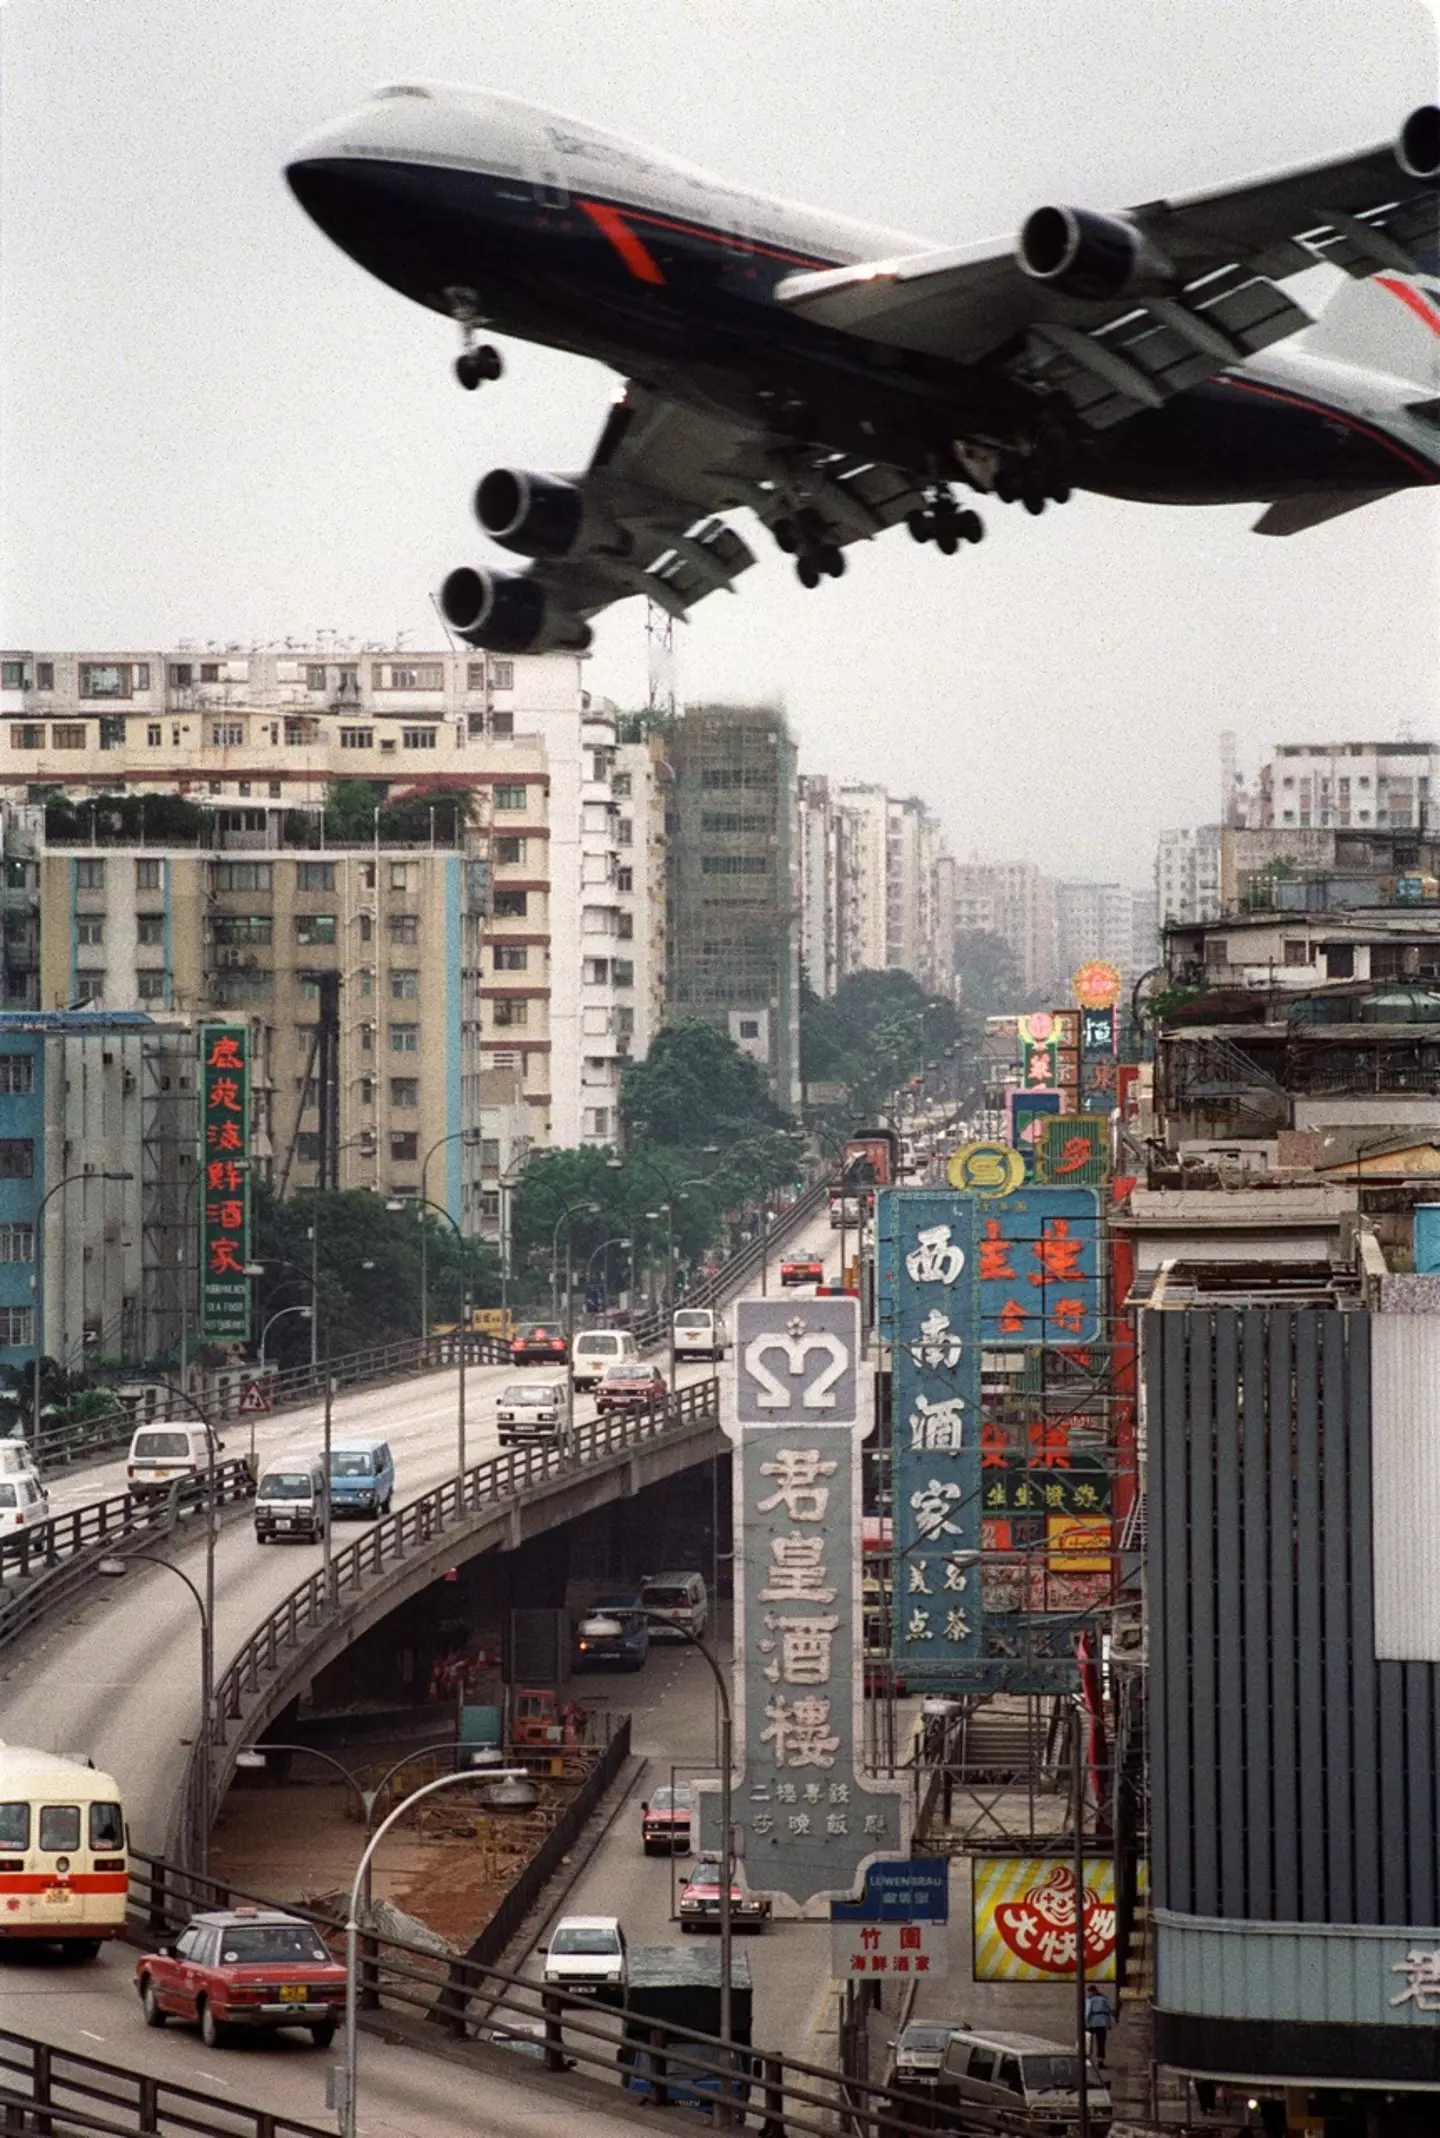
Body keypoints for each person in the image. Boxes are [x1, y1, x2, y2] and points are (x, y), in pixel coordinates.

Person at [1085, 1983, 1115, 2067]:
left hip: (1091, 2023)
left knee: (1088, 2041)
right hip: (1102, 2023)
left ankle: (1087, 2059)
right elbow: (1111, 2010)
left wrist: (1085, 2023)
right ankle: (1100, 2061)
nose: (1088, 1994)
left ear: (1092, 1992)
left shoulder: (1090, 2000)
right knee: (1101, 2042)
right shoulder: (1105, 1998)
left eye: (1089, 1992)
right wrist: (1109, 2024)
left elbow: (1087, 2012)